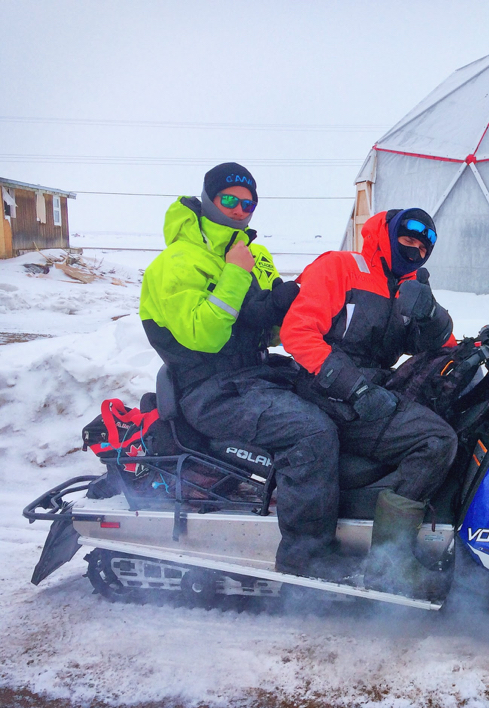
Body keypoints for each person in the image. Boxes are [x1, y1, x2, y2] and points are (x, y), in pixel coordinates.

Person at [138, 162, 342, 578]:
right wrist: (235, 272)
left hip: (256, 377)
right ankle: (307, 562)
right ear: (209, 198)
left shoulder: (255, 255)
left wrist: (285, 308)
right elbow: (205, 335)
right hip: (209, 392)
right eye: (229, 200)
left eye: (248, 203)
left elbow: (264, 332)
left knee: (340, 401)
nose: (239, 210)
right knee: (312, 431)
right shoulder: (176, 263)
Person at [280, 208, 458, 596]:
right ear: (389, 234)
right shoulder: (341, 267)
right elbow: (297, 332)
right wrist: (354, 388)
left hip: (372, 386)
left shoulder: (407, 285)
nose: (414, 250)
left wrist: (432, 313)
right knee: (436, 440)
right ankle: (390, 566)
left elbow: (442, 345)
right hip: (326, 389)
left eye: (423, 246)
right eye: (407, 239)